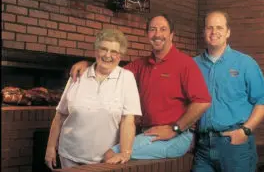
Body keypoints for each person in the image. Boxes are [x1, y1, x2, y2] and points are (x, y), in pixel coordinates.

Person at [70, 14, 211, 162]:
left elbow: (203, 102)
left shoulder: (185, 63)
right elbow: (111, 69)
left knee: (110, 155)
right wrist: (87, 64)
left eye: (163, 29)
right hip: (148, 134)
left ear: (171, 35)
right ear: (148, 34)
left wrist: (174, 129)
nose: (157, 34)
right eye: (152, 29)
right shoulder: (140, 64)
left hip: (176, 136)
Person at [187, 10, 264, 172]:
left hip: (235, 146)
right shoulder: (192, 65)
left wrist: (245, 130)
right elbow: (187, 103)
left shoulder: (245, 63)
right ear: (203, 32)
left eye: (219, 27)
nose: (214, 31)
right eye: (209, 27)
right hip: (203, 148)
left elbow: (263, 101)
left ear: (228, 32)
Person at [44, 29, 142, 169]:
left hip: (105, 160)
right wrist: (50, 147)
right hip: (69, 155)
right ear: (96, 51)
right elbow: (60, 115)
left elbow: (128, 120)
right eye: (103, 49)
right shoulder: (78, 75)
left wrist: (125, 153)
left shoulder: (126, 78)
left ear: (120, 56)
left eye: (113, 51)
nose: (108, 55)